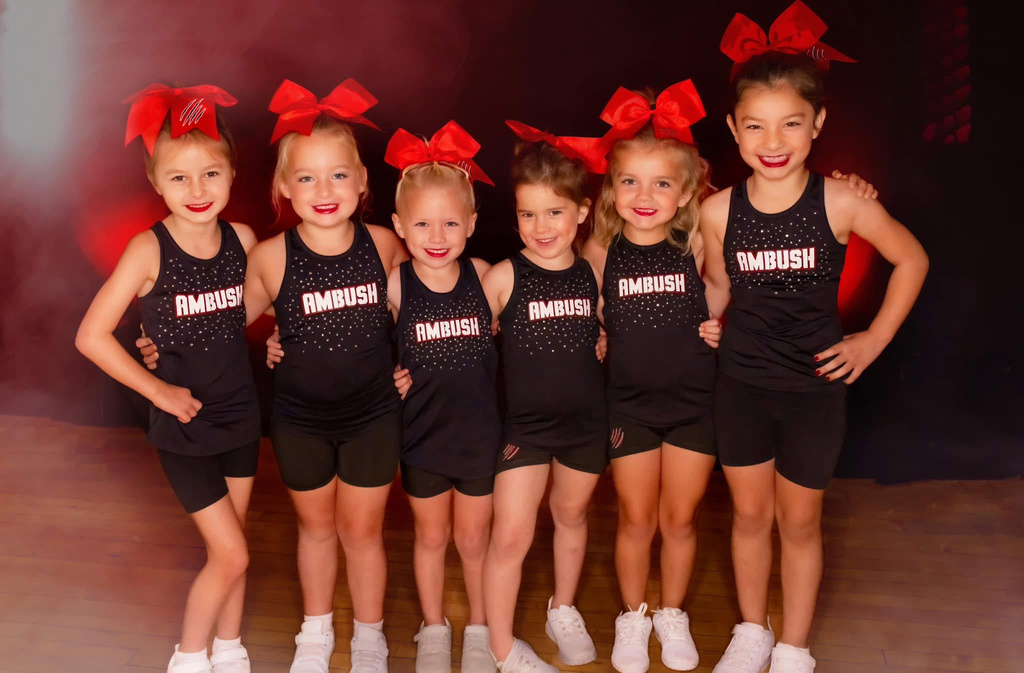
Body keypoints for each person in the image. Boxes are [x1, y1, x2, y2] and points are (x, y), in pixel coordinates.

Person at [703, 5, 929, 672]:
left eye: (790, 124)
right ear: (734, 132)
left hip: (812, 390)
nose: (773, 140)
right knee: (748, 518)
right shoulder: (718, 210)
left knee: (799, 522)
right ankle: (752, 632)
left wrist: (873, 339)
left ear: (817, 125)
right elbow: (719, 283)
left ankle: (794, 648)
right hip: (740, 386)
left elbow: (912, 258)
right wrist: (706, 318)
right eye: (755, 126)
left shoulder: (842, 202)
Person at [76, 84, 259, 673]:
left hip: (241, 415)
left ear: (232, 172)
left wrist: (281, 334)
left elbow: (249, 312)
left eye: (210, 173)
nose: (198, 190)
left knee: (236, 548)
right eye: (179, 178)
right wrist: (159, 389)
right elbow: (91, 335)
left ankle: (230, 651)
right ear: (155, 182)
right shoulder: (146, 250)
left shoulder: (244, 241)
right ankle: (187, 657)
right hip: (184, 426)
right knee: (230, 556)